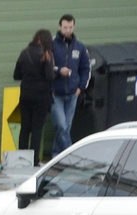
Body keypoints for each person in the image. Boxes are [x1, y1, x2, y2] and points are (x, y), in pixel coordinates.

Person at [49, 14, 90, 158]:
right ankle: (70, 157)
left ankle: (56, 154)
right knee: (62, 126)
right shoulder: (51, 45)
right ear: (60, 27)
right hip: (56, 94)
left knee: (65, 128)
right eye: (65, 27)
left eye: (70, 27)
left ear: (74, 27)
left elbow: (86, 68)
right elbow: (46, 67)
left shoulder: (80, 46)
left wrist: (81, 88)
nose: (68, 30)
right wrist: (59, 71)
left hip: (72, 94)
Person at [14, 29, 57, 162]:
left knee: (25, 128)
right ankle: (34, 161)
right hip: (41, 97)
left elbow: (16, 75)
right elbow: (50, 77)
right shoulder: (47, 55)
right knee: (37, 129)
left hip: (25, 95)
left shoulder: (24, 53)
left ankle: (20, 159)